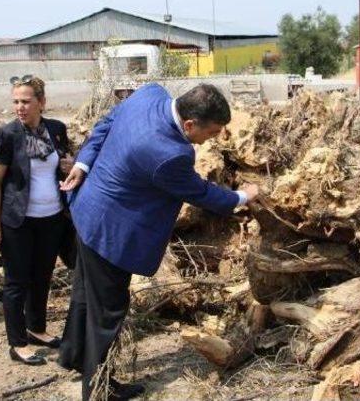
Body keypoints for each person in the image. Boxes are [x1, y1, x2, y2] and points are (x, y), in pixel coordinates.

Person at [57, 83, 260, 399]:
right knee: (108, 311)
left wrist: (83, 164)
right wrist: (242, 195)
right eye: (213, 132)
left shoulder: (149, 94)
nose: (214, 139)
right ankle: (96, 390)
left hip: (88, 210)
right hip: (112, 233)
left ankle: (73, 355)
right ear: (190, 124)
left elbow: (107, 123)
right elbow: (201, 193)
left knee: (86, 293)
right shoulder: (170, 154)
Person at [0, 75, 73, 365]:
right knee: (16, 282)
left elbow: (63, 166)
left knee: (42, 278)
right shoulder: (5, 135)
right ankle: (18, 343)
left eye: (26, 101)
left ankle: (37, 328)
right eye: (16, 101)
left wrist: (69, 166)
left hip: (51, 218)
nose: (20, 107)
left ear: (41, 102)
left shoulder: (56, 130)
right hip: (17, 221)